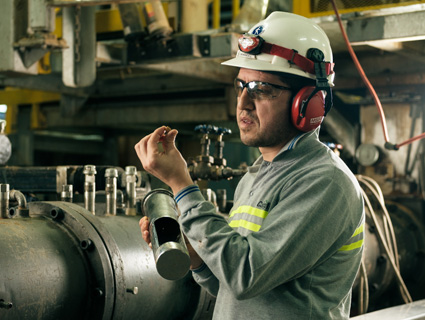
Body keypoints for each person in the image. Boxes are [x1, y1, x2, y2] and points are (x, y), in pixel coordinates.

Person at [135, 11, 365, 320]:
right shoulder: (256, 174)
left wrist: (182, 186)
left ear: (308, 103)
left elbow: (246, 275)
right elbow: (233, 286)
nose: (243, 102)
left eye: (261, 89)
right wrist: (195, 257)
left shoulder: (325, 182)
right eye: (241, 85)